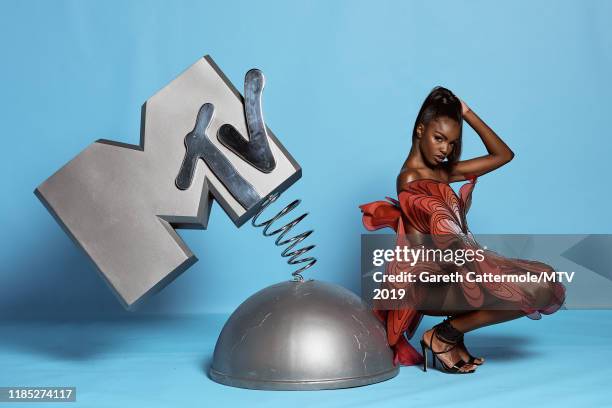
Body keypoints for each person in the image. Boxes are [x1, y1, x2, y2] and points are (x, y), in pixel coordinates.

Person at [360, 87, 565, 374]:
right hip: (429, 282)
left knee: (546, 276)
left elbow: (503, 154)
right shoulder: (409, 179)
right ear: (420, 130)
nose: (446, 149)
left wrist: (467, 113)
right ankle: (443, 335)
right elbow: (426, 250)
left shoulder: (443, 172)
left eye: (452, 143)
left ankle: (450, 334)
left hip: (458, 268)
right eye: (439, 138)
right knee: (539, 289)